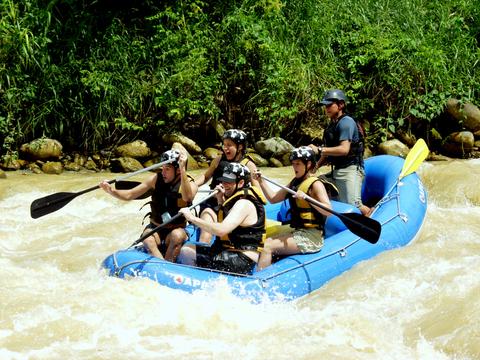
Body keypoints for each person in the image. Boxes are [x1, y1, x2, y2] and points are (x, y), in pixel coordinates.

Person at [99, 149, 198, 262]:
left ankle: (168, 263)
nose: (163, 173)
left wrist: (183, 168)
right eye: (163, 168)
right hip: (156, 228)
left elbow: (187, 197)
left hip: (175, 230)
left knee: (177, 235)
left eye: (167, 169)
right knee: (147, 237)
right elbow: (130, 194)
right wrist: (111, 191)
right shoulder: (156, 179)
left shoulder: (189, 183)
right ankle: (161, 265)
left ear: (178, 171)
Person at [178, 163, 267, 274]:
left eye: (228, 182)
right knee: (189, 247)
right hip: (230, 251)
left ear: (241, 183)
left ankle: (195, 281)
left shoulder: (244, 203)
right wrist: (220, 200)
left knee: (187, 251)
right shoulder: (235, 199)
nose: (224, 185)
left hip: (241, 259)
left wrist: (192, 218)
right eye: (223, 180)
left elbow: (221, 230)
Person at [253, 146, 332, 270]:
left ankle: (260, 282)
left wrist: (307, 199)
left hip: (312, 236)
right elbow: (273, 198)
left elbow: (328, 211)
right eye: (293, 164)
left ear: (309, 164)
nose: (294, 167)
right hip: (297, 230)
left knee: (267, 246)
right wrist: (261, 181)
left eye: (298, 164)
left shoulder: (316, 184)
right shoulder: (295, 182)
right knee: (262, 237)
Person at [309, 89, 371, 216]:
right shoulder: (331, 126)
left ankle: (373, 216)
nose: (326, 108)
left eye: (329, 105)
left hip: (351, 169)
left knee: (355, 206)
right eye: (325, 106)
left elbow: (344, 149)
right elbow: (327, 153)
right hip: (336, 171)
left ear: (341, 105)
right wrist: (315, 168)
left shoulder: (346, 122)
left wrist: (319, 149)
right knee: (314, 186)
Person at [194, 129, 259, 244]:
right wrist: (193, 184)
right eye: (224, 145)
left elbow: (257, 192)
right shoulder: (219, 159)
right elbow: (205, 176)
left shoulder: (249, 165)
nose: (225, 148)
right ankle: (200, 258)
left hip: (234, 208)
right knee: (206, 234)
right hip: (213, 205)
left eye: (229, 145)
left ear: (239, 147)